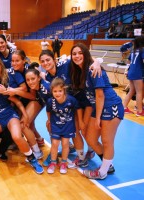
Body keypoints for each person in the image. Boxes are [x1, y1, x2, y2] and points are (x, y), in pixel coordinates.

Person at [0, 65, 44, 178]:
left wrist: (24, 114)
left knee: (16, 136)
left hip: (10, 115)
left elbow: (17, 101)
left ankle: (32, 159)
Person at [70, 43, 123, 179]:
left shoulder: (93, 70)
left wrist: (98, 117)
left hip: (111, 106)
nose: (77, 56)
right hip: (98, 107)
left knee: (106, 141)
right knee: (90, 138)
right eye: (74, 53)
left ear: (86, 54)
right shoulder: (82, 71)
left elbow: (100, 95)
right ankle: (107, 164)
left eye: (80, 53)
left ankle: (103, 171)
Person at [45, 78, 83, 174]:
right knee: (55, 144)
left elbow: (78, 109)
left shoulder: (71, 100)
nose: (57, 93)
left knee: (65, 144)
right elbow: (48, 111)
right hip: (55, 125)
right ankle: (53, 162)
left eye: (60, 91)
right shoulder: (50, 101)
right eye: (55, 91)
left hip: (68, 125)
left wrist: (80, 121)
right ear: (52, 91)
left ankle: (63, 163)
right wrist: (49, 120)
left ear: (64, 90)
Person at [122, 36, 144, 116]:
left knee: (132, 90)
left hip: (131, 72)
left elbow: (128, 62)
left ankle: (124, 107)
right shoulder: (142, 50)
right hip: (137, 73)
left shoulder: (133, 51)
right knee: (139, 92)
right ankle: (140, 111)